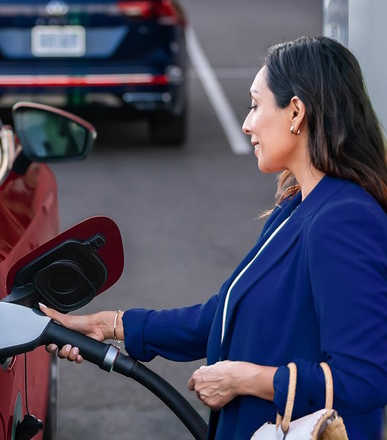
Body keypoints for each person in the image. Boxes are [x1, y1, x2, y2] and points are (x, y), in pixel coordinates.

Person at [40, 36, 387, 439]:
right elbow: (223, 317)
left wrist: (247, 379)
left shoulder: (344, 218)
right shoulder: (297, 206)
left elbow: (365, 377)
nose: (247, 123)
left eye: (256, 105)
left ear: (296, 112)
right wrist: (111, 325)